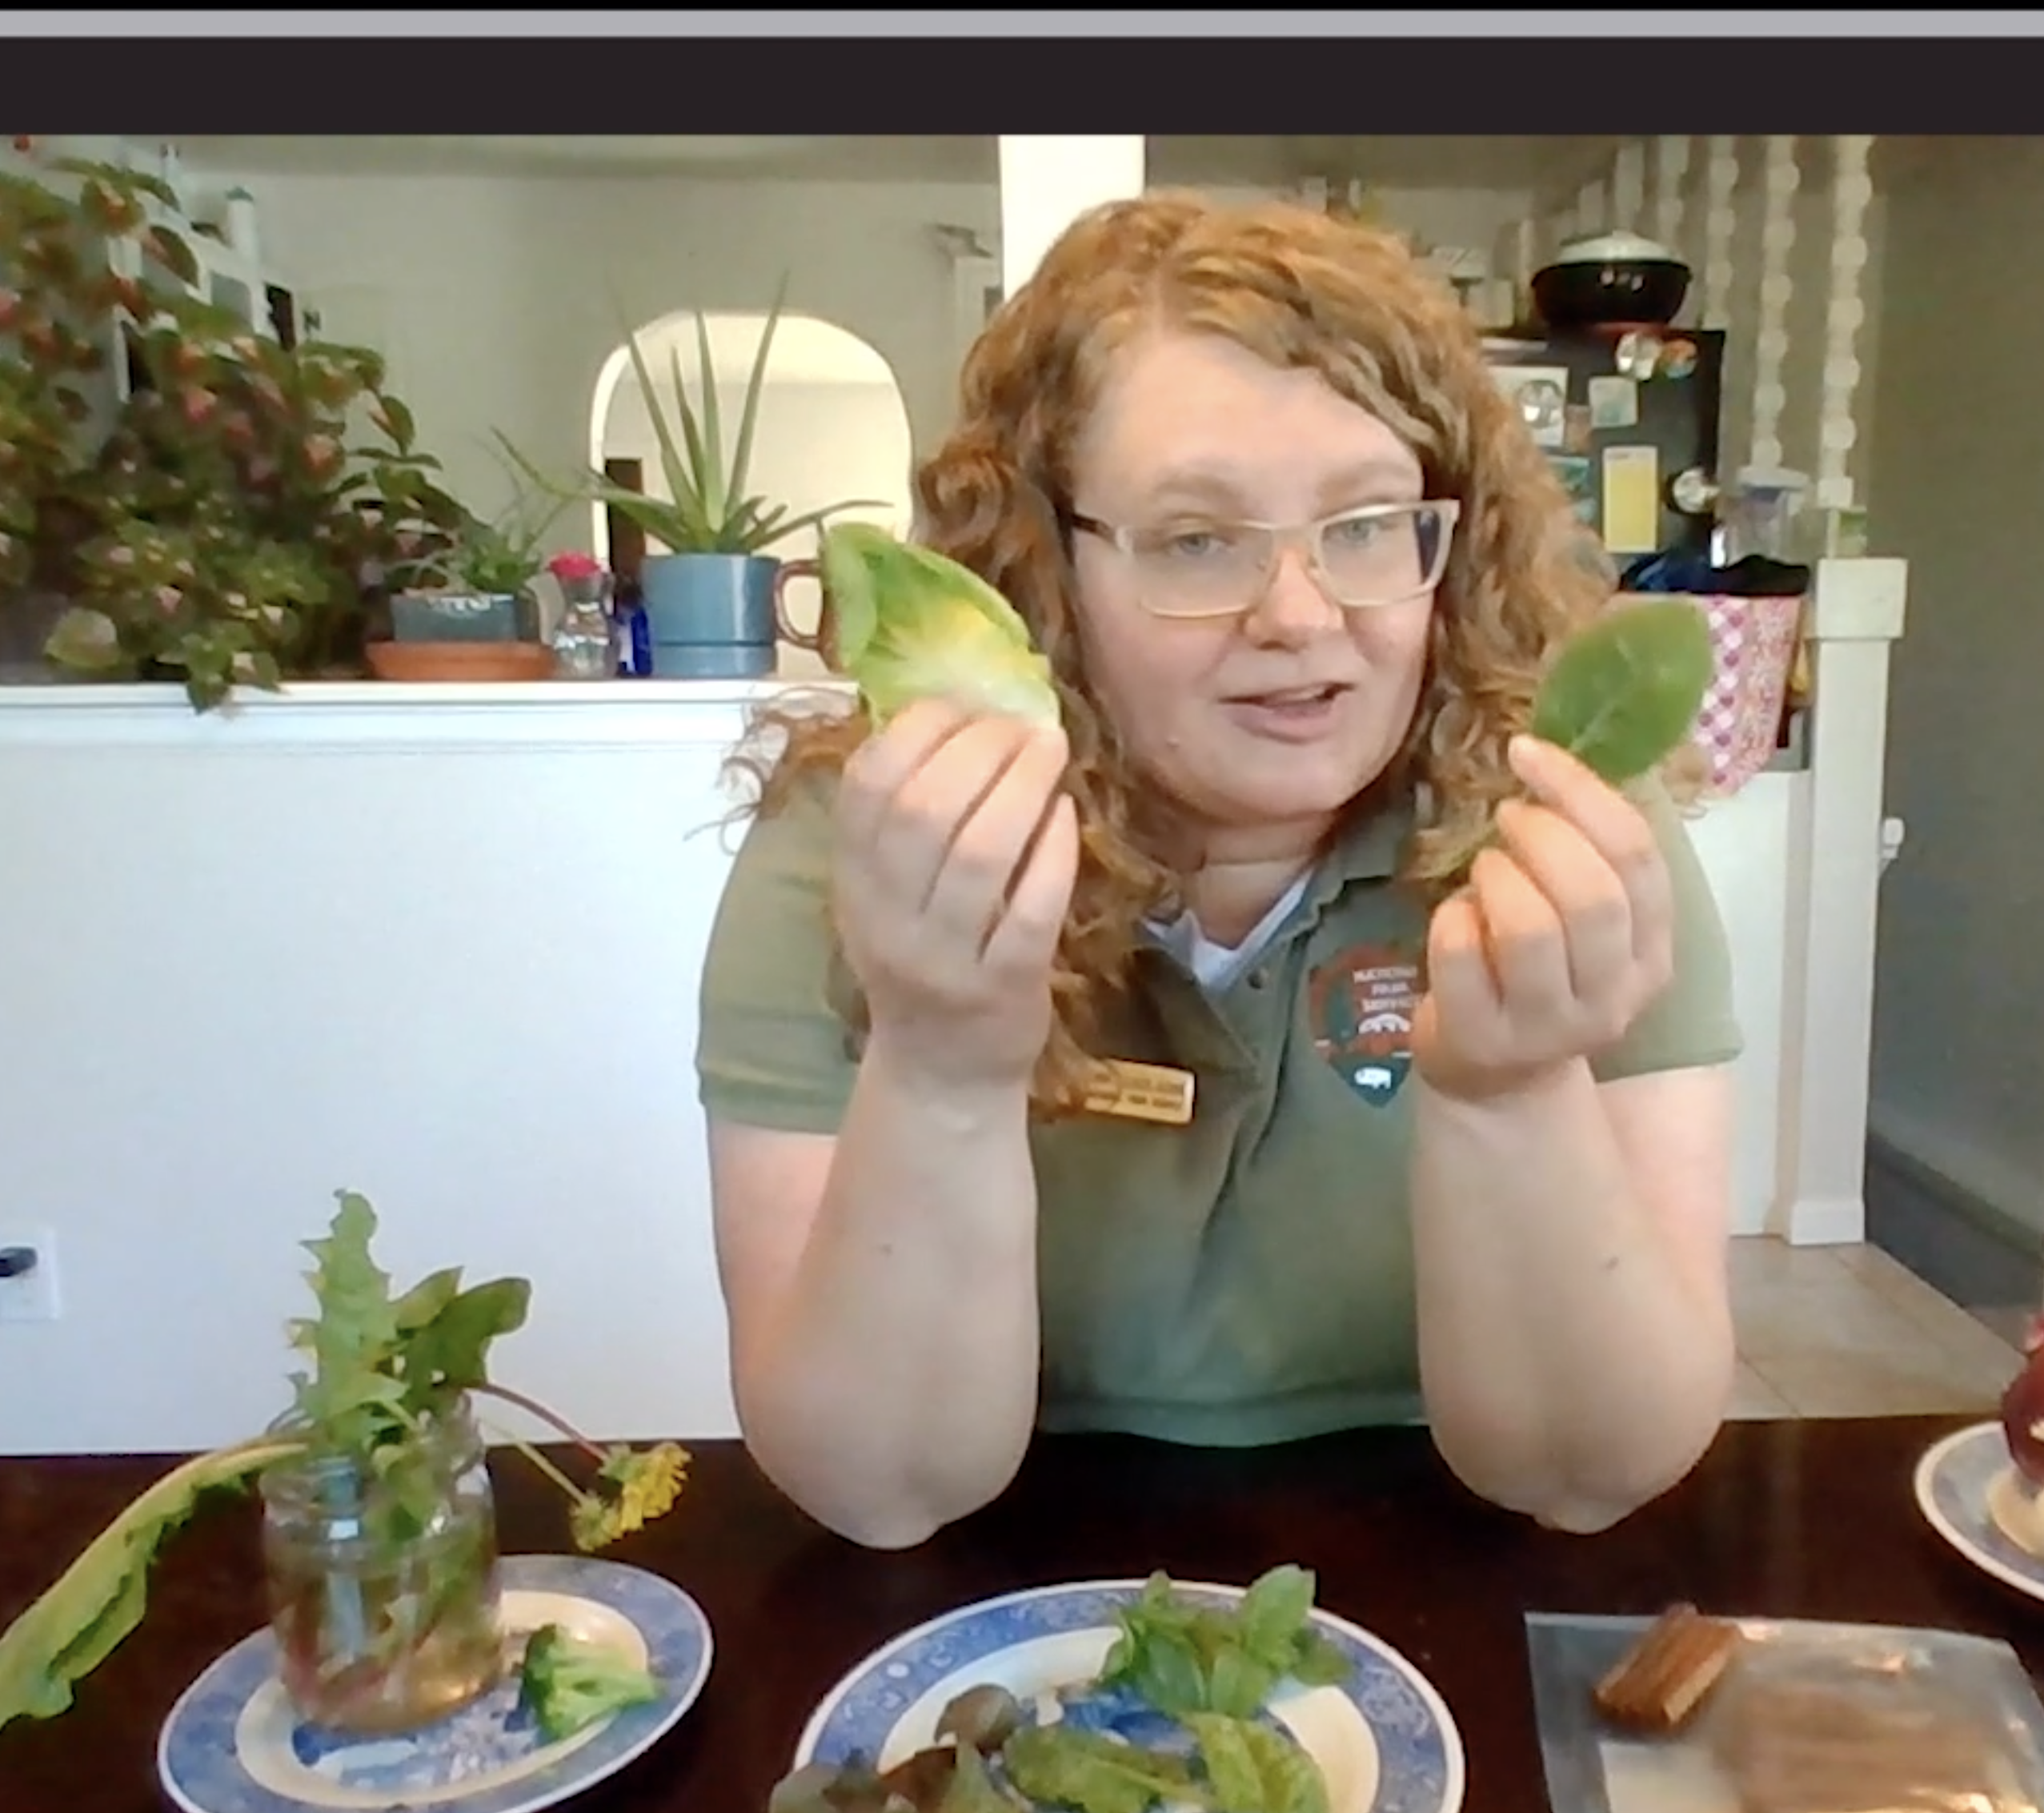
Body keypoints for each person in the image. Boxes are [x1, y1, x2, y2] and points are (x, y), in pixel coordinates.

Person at [693, 192, 1741, 1550]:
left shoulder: (1569, 827)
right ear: (1044, 568)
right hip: (1003, 1595)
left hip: (1451, 1568)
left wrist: (1511, 1090)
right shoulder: (866, 848)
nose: (1302, 619)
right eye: (1198, 540)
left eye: (1367, 524)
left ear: (1455, 539)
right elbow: (882, 1492)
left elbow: (1593, 1476)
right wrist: (942, 1060)